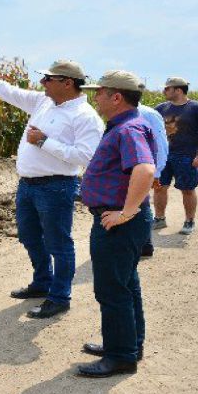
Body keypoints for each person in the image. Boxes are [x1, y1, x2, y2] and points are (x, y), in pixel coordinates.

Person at [0, 55, 104, 318]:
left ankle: (60, 296)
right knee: (28, 236)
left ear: (66, 83)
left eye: (48, 78)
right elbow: (4, 90)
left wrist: (44, 142)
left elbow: (86, 157)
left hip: (57, 186)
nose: (42, 81)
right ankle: (43, 282)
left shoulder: (85, 116)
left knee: (58, 244)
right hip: (28, 186)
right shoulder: (44, 101)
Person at [76, 70, 155, 377]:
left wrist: (125, 212)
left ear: (116, 97)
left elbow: (145, 170)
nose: (95, 96)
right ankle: (128, 345)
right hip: (119, 221)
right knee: (126, 285)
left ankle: (120, 356)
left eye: (100, 92)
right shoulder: (125, 126)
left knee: (111, 290)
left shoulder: (129, 129)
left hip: (117, 223)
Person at [153, 77, 198, 235]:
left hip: (186, 156)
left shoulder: (197, 108)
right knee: (159, 188)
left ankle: (189, 220)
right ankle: (159, 218)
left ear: (178, 90)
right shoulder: (160, 109)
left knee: (187, 189)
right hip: (163, 156)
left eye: (167, 89)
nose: (164, 91)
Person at [139, 103, 168, 257]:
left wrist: (156, 172)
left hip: (143, 167)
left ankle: (145, 245)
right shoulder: (116, 113)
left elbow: (160, 143)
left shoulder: (148, 114)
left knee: (141, 204)